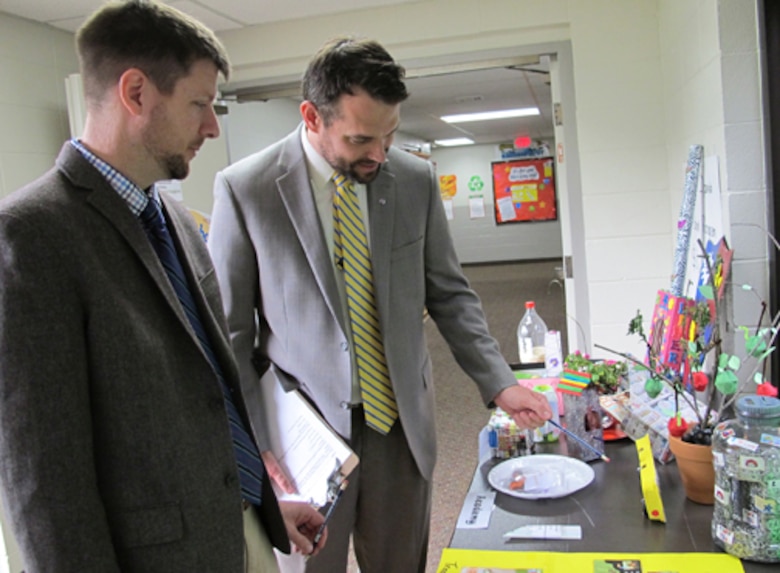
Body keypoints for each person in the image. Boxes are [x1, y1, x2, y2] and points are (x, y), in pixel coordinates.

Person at [0, 2, 325, 572]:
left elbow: (206, 397)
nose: (212, 126)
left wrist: (263, 498)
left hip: (235, 532)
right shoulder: (31, 236)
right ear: (136, 93)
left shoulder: (177, 220)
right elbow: (43, 480)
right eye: (199, 103)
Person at [207, 36, 551, 573]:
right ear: (311, 117)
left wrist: (499, 379)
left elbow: (449, 293)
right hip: (307, 439)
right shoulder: (246, 190)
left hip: (400, 428)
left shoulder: (413, 180)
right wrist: (256, 447)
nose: (379, 154)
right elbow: (230, 337)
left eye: (389, 135)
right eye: (361, 138)